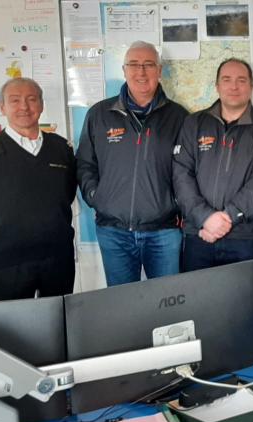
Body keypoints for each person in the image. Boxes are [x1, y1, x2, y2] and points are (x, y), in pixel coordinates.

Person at [76, 40, 187, 286]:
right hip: (113, 232)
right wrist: (97, 197)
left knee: (167, 304)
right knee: (122, 309)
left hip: (164, 232)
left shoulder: (179, 117)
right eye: (134, 65)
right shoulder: (99, 114)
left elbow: (188, 170)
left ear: (159, 70)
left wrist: (176, 204)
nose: (141, 71)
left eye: (149, 64)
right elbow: (85, 163)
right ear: (124, 71)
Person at [0, 77, 76, 301]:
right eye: (15, 100)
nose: (24, 107)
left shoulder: (61, 148)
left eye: (31, 99)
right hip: (8, 263)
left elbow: (66, 194)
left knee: (61, 323)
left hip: (58, 258)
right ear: (2, 107)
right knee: (14, 328)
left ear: (41, 105)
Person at [173, 58, 253, 271]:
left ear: (251, 87)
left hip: (244, 239)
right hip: (198, 235)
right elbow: (181, 174)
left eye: (241, 80)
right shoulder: (193, 123)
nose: (234, 86)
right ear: (217, 86)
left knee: (242, 304)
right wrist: (205, 218)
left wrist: (225, 219)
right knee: (197, 303)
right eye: (227, 79)